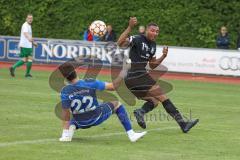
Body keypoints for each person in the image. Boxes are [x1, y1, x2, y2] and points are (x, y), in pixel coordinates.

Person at [117, 17, 199, 133]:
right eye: (152, 30)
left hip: (131, 79)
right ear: (146, 30)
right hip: (136, 74)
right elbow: (119, 43)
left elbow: (152, 65)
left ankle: (140, 112)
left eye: (157, 31)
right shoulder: (137, 39)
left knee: (154, 101)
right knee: (163, 97)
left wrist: (163, 56)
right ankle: (183, 124)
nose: (155, 33)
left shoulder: (153, 45)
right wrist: (130, 27)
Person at [58, 62, 146, 142]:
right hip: (95, 118)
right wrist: (124, 71)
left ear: (65, 77)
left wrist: (64, 133)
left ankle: (69, 132)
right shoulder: (90, 82)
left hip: (80, 122)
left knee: (74, 117)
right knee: (117, 104)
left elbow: (66, 113)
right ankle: (131, 134)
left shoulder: (65, 91)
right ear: (75, 71)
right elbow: (113, 86)